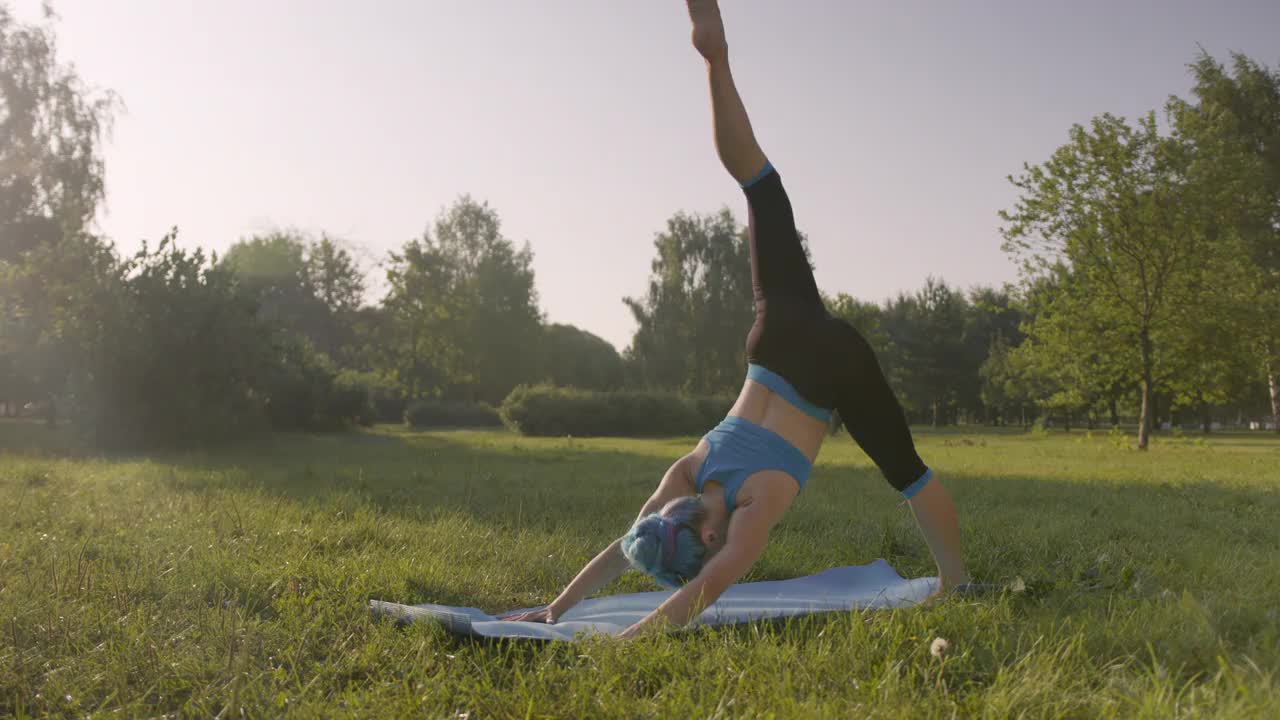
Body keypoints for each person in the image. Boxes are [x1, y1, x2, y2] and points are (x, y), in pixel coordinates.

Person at [502, 0, 972, 638]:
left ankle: (958, 581)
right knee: (760, 187)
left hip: (836, 368)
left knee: (909, 472)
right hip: (779, 337)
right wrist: (560, 608)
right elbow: (637, 551)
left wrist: (590, 626)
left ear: (707, 532)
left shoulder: (750, 511)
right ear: (678, 516)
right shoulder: (684, 478)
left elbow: (702, 589)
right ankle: (715, 62)